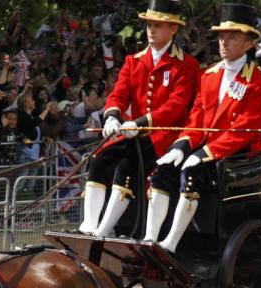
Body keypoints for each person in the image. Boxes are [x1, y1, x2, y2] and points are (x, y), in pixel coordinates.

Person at [147, 3, 261, 252]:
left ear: (249, 44)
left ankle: (170, 244)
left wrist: (204, 154)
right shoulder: (208, 75)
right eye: (222, 37)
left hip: (238, 155)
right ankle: (149, 240)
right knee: (162, 170)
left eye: (232, 38)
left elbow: (243, 130)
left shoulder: (259, 83)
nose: (223, 43)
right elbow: (196, 120)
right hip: (204, 148)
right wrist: (181, 147)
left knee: (192, 175)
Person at [79, 0, 200, 237]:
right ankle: (90, 225)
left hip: (164, 135)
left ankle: (103, 231)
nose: (151, 30)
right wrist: (112, 116)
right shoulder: (133, 61)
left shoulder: (187, 65)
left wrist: (140, 123)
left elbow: (175, 107)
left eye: (158, 25)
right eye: (149, 25)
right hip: (132, 130)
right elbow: (118, 94)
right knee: (100, 159)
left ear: (173, 29)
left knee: (126, 167)